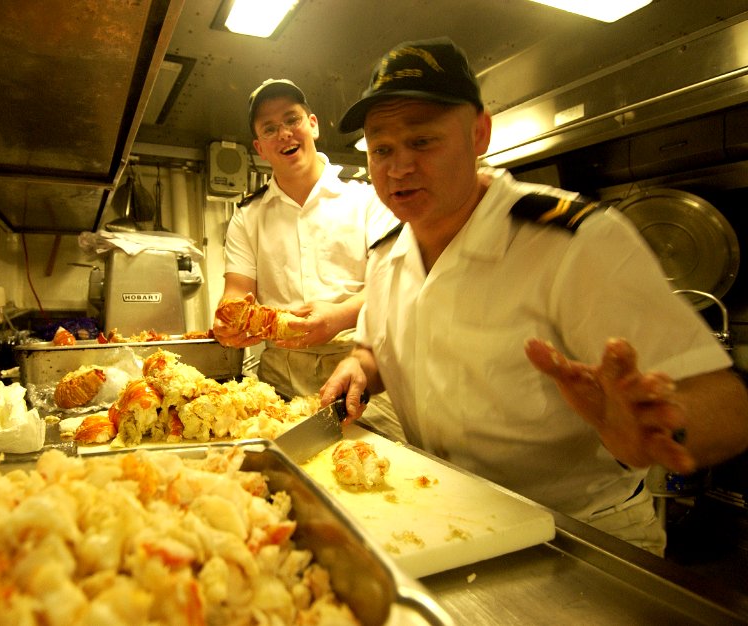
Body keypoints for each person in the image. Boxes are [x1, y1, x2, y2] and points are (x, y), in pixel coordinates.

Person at [321, 38, 748, 554]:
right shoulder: (389, 251)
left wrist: (659, 430)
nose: (398, 167)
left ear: (480, 133)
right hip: (442, 516)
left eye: (423, 142)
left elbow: (727, 408)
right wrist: (359, 367)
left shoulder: (574, 241)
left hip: (579, 534)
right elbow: (375, 348)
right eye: (382, 149)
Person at [213, 78, 400, 434]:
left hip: (362, 375)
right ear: (260, 147)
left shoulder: (367, 201)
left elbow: (393, 286)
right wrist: (229, 319)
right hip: (278, 386)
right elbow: (236, 290)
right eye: (270, 128)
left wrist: (339, 317)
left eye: (292, 119)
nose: (284, 133)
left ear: (312, 125)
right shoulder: (248, 216)